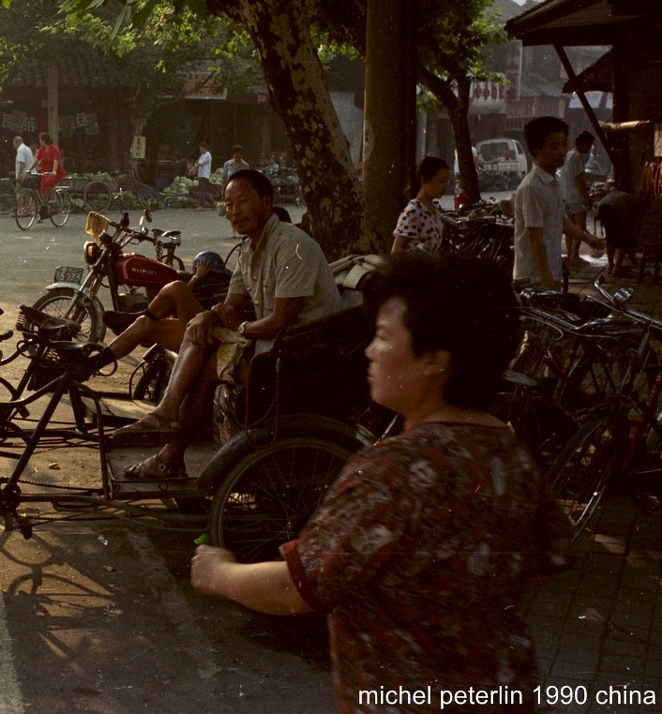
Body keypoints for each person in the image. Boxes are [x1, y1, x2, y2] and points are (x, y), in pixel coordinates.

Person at [191, 252, 568, 713]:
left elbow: (298, 587)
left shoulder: (395, 470)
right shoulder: (510, 456)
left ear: (435, 360)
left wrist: (218, 573)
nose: (369, 350)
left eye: (384, 337)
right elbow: (540, 562)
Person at [111, 170, 341, 479]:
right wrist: (211, 316)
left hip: (301, 356)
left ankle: (168, 444)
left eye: (242, 202)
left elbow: (282, 321)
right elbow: (231, 306)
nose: (234, 212)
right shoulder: (248, 249)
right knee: (201, 331)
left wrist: (234, 328)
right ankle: (167, 435)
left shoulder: (292, 246)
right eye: (229, 204)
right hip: (270, 347)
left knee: (206, 361)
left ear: (266, 201)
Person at [86, 251, 234, 371]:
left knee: (176, 287)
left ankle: (138, 316)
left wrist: (196, 278)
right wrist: (196, 279)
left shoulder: (226, 287)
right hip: (198, 330)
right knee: (143, 323)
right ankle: (93, 364)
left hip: (214, 335)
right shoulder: (202, 289)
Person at [512, 117, 602, 290]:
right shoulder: (533, 187)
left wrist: (588, 238)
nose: (562, 152)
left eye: (563, 145)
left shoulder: (553, 182)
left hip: (551, 272)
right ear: (537, 150)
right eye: (554, 147)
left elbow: (560, 221)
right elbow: (535, 238)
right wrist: (548, 282)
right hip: (535, 278)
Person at [391, 156, 450, 252]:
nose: (444, 186)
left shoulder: (434, 210)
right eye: (441, 181)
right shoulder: (413, 212)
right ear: (425, 180)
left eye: (447, 181)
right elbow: (396, 251)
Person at [560, 130, 596, 264]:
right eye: (589, 144)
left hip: (566, 196)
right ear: (582, 142)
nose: (589, 147)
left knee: (570, 228)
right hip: (575, 197)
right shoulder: (577, 157)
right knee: (580, 228)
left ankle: (570, 255)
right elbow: (579, 180)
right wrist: (588, 198)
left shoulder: (569, 154)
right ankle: (574, 256)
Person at [597, 189, 642, 277]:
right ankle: (616, 269)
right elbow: (632, 224)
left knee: (610, 238)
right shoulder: (635, 204)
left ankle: (611, 266)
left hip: (601, 206)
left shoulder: (625, 196)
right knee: (622, 240)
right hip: (615, 209)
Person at [28, 133, 63, 202]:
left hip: (54, 170)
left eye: (40, 140)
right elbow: (36, 160)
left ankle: (54, 199)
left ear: (44, 141)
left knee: (50, 182)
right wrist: (30, 169)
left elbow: (55, 161)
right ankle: (45, 204)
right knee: (43, 188)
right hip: (44, 171)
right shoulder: (41, 149)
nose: (39, 141)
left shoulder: (54, 149)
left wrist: (54, 171)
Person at [194, 143, 216, 210]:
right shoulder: (202, 155)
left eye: (202, 149)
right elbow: (198, 161)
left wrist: (192, 169)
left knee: (202, 191)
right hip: (201, 174)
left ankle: (201, 206)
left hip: (204, 174)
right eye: (200, 149)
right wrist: (195, 164)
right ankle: (213, 203)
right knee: (203, 190)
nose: (201, 150)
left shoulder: (207, 155)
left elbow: (200, 163)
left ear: (205, 148)